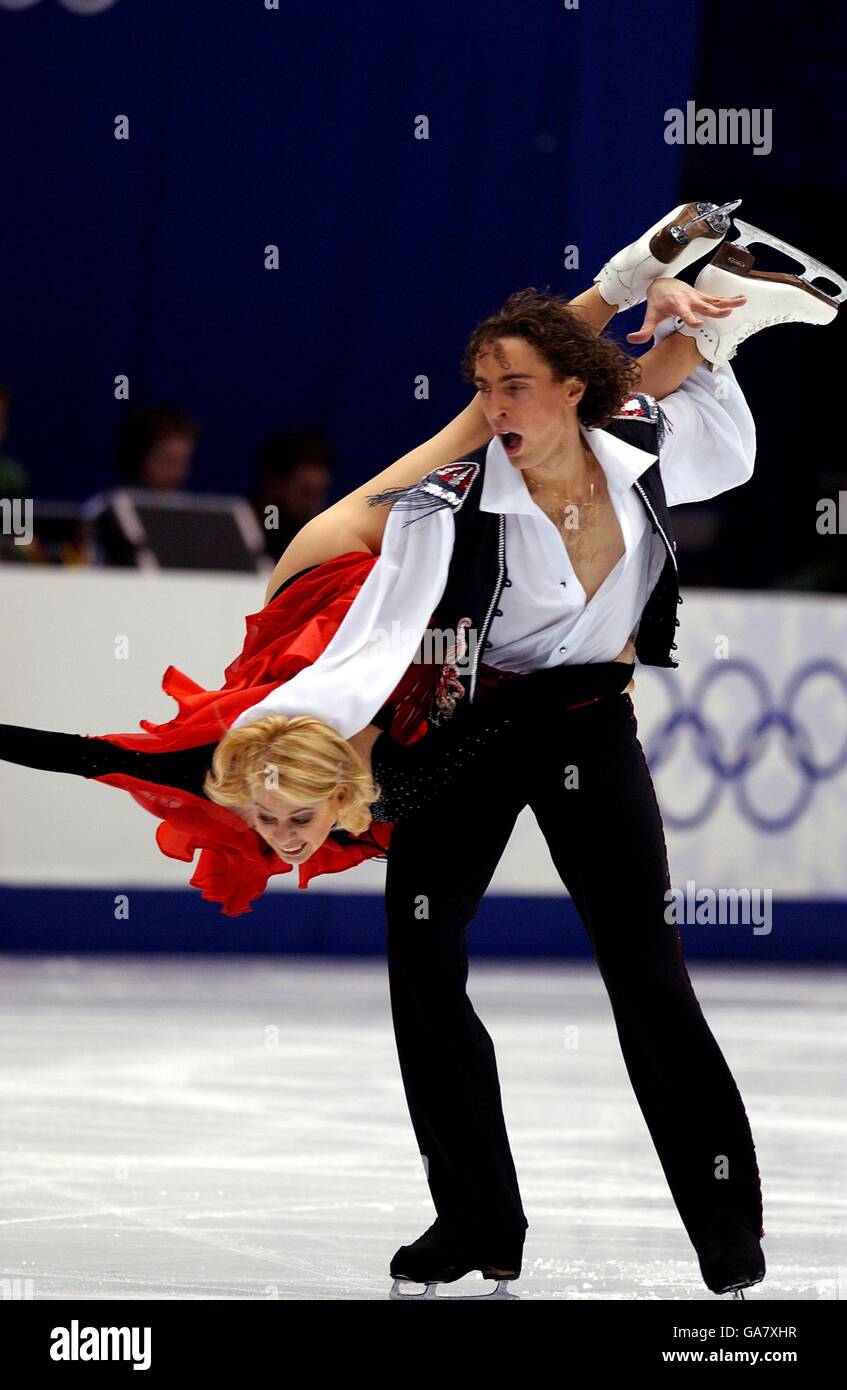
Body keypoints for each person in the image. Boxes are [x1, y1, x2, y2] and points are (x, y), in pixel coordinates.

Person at [221, 203, 845, 1298]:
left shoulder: (640, 451)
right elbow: (373, 647)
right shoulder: (440, 509)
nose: (492, 405)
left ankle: (726, 1231)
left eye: (514, 385)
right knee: (422, 960)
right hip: (469, 728)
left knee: (648, 973)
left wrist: (698, 348)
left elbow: (730, 454)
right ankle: (474, 1220)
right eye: (483, 386)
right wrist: (280, 744)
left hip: (586, 724)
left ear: (573, 389)